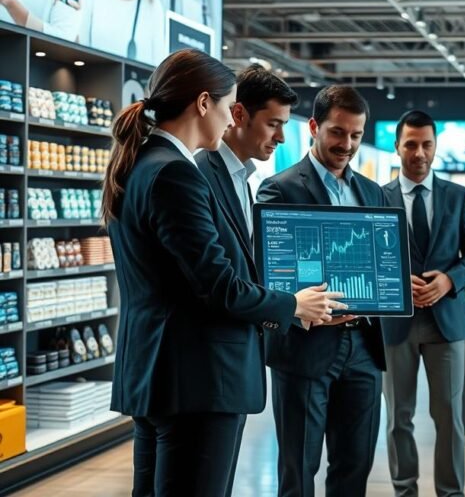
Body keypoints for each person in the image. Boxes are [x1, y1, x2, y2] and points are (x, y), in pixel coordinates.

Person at [101, 49, 340, 497]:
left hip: (159, 375)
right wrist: (291, 305)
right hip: (197, 380)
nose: (231, 121)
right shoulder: (177, 174)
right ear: (203, 103)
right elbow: (217, 285)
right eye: (229, 108)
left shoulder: (140, 164)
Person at [257, 85, 388, 497]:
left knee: (355, 467)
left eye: (355, 135)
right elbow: (268, 272)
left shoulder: (372, 193)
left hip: (364, 347)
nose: (346, 144)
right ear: (314, 127)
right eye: (337, 132)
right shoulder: (279, 189)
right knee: (298, 470)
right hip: (305, 346)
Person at [381, 109, 465, 497]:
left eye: (427, 144)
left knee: (449, 417)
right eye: (411, 144)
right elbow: (367, 256)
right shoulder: (378, 196)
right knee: (398, 418)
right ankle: (404, 490)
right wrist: (394, 282)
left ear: (436, 146)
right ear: (397, 147)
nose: (420, 153)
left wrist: (449, 279)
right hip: (396, 322)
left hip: (447, 320)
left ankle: (450, 492)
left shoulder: (458, 197)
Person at [195, 64, 295, 242]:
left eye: (283, 125)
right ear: (239, 114)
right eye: (272, 125)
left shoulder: (241, 178)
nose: (281, 138)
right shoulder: (200, 174)